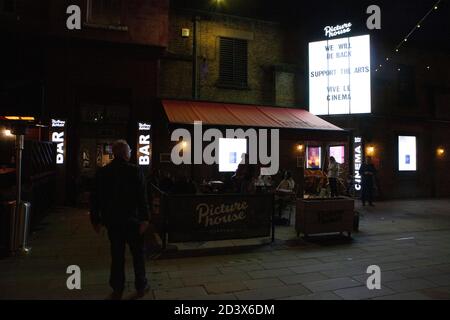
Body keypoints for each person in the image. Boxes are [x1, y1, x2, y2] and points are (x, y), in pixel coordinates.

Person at [90, 140, 150, 299]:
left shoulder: (103, 172)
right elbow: (142, 197)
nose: (131, 153)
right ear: (125, 153)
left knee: (117, 256)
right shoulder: (135, 171)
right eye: (129, 150)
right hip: (133, 221)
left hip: (113, 221)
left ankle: (117, 287)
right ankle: (141, 286)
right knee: (138, 255)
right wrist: (145, 219)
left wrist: (95, 220)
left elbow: (95, 198)